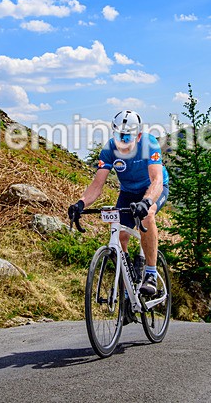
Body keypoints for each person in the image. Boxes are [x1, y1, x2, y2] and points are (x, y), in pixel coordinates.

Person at [68, 110, 169, 299]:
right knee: (121, 235)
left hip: (153, 188)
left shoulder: (149, 144)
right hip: (128, 192)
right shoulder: (109, 150)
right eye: (118, 135)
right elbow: (97, 185)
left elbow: (156, 180)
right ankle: (128, 281)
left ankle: (151, 273)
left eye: (128, 136)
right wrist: (80, 203)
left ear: (138, 135)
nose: (122, 141)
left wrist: (147, 201)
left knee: (148, 215)